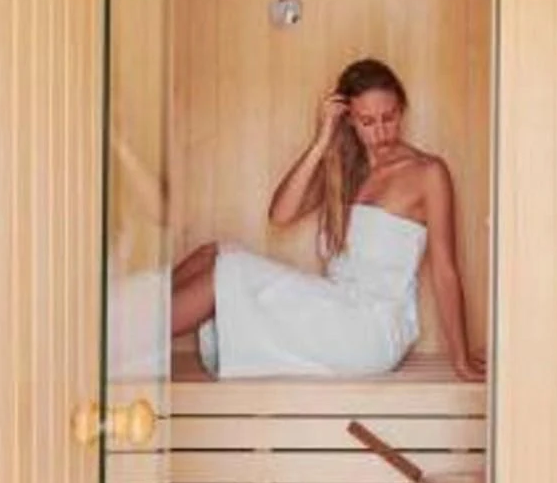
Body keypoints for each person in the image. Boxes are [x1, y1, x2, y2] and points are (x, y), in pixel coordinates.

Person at [170, 58, 487, 383]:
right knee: (215, 253)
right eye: (367, 121)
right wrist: (322, 140)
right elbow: (280, 215)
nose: (381, 133)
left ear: (402, 110)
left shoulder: (428, 173)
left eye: (389, 118)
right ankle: (140, 324)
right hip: (334, 307)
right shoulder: (343, 172)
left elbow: (445, 270)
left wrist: (460, 358)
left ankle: (136, 339)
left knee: (231, 270)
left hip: (372, 328)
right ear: (348, 119)